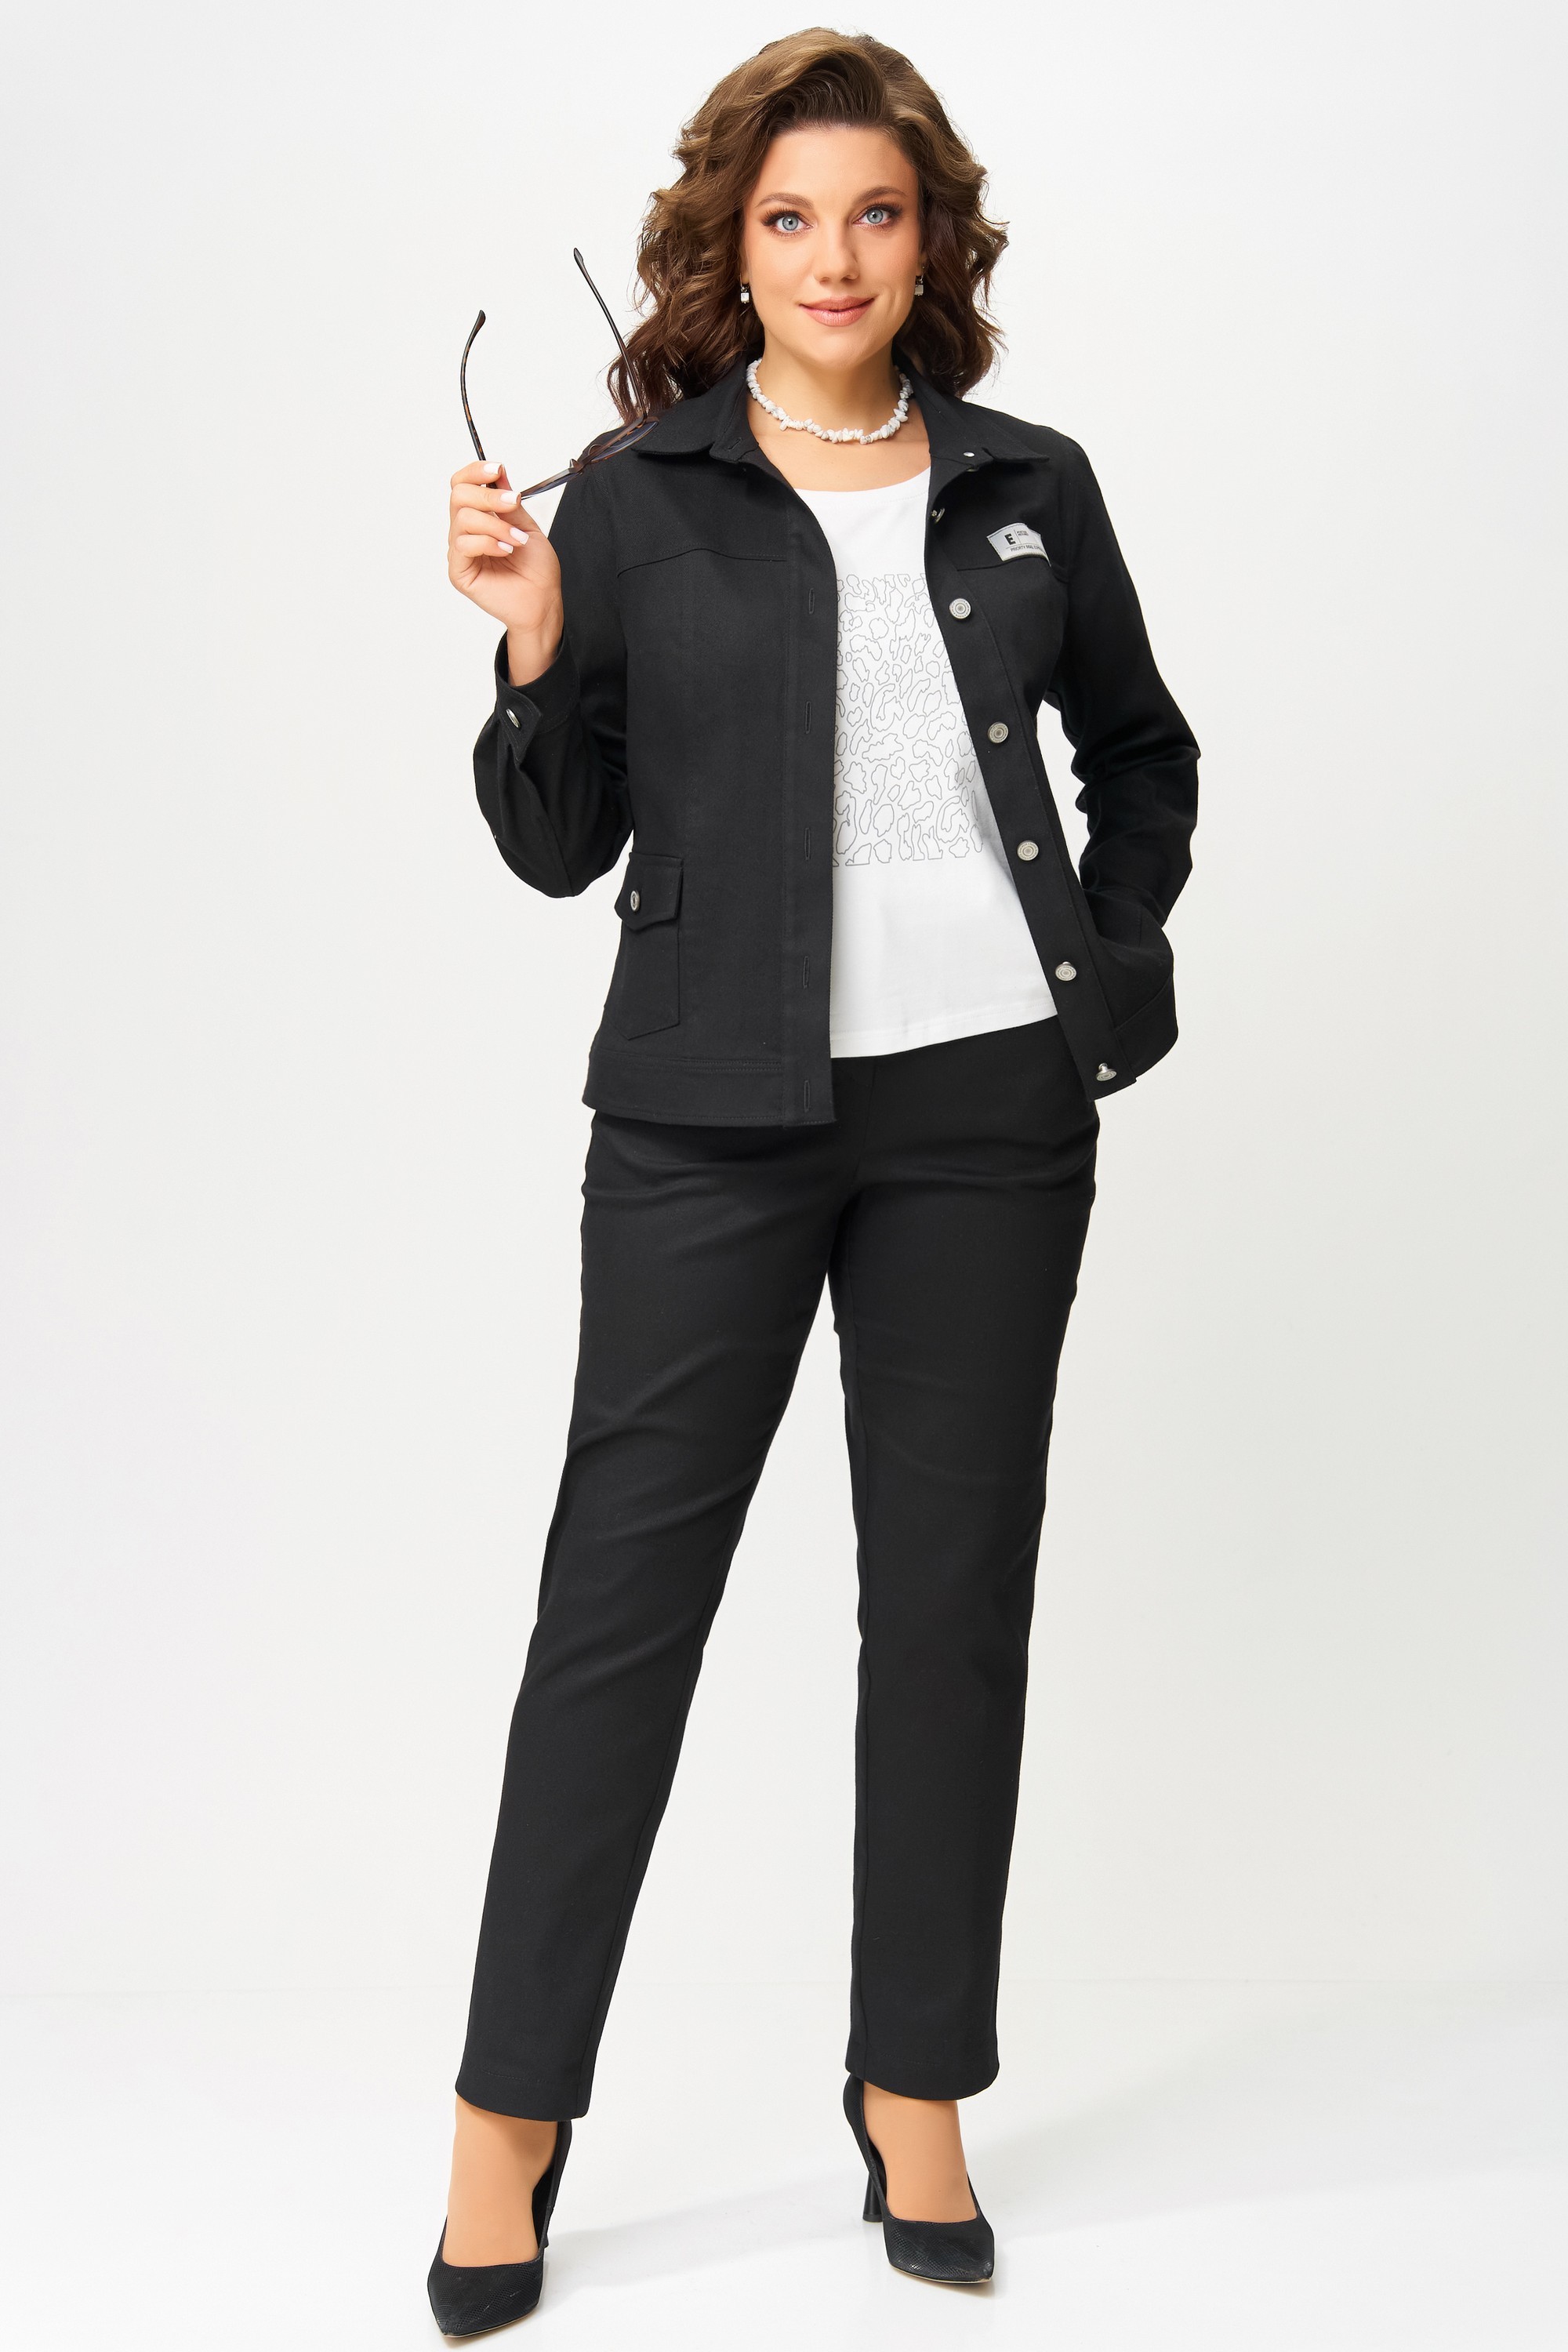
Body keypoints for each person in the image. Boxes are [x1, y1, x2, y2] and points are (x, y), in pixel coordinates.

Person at [432, 27, 1198, 2333]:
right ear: (730, 249)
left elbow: (1144, 750)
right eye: (789, 219)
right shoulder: (634, 495)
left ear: (929, 240)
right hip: (706, 1121)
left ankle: (916, 2088)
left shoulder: (1033, 480)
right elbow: (560, 843)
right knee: (618, 1613)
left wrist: (1102, 957)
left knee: (950, 1610)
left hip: (990, 1120)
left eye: (875, 213)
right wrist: (533, 645)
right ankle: (505, 2121)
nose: (835, 257)